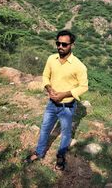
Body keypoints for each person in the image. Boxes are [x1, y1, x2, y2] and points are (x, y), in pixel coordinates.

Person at [24, 30, 88, 170]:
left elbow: (84, 86)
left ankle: (60, 156)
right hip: (52, 104)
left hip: (68, 106)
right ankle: (39, 152)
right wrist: (48, 88)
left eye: (64, 44)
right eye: (58, 43)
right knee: (45, 128)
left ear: (72, 45)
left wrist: (64, 94)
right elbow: (45, 76)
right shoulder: (51, 59)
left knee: (65, 133)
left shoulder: (79, 66)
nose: (60, 46)